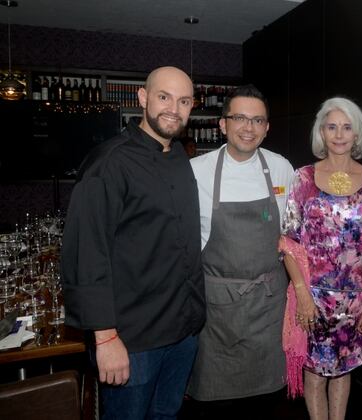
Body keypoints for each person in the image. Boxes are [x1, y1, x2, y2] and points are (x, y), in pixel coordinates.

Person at [61, 66, 205, 419]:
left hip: (182, 331)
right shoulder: (108, 163)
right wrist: (105, 338)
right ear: (142, 98)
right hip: (133, 340)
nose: (174, 109)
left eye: (184, 101)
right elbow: (85, 255)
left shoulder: (179, 158)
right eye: (164, 97)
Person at [186, 85, 295, 416]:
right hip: (217, 313)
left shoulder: (281, 169)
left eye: (257, 120)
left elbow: (292, 237)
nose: (249, 128)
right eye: (240, 118)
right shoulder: (196, 171)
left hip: (268, 309)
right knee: (215, 404)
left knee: (268, 403)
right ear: (223, 124)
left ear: (267, 127)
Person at [280, 97, 362, 420]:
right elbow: (288, 242)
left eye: (347, 127)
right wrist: (302, 295)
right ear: (321, 133)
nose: (339, 135)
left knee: (343, 372)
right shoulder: (303, 178)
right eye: (332, 127)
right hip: (312, 300)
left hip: (355, 303)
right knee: (314, 374)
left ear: (357, 134)